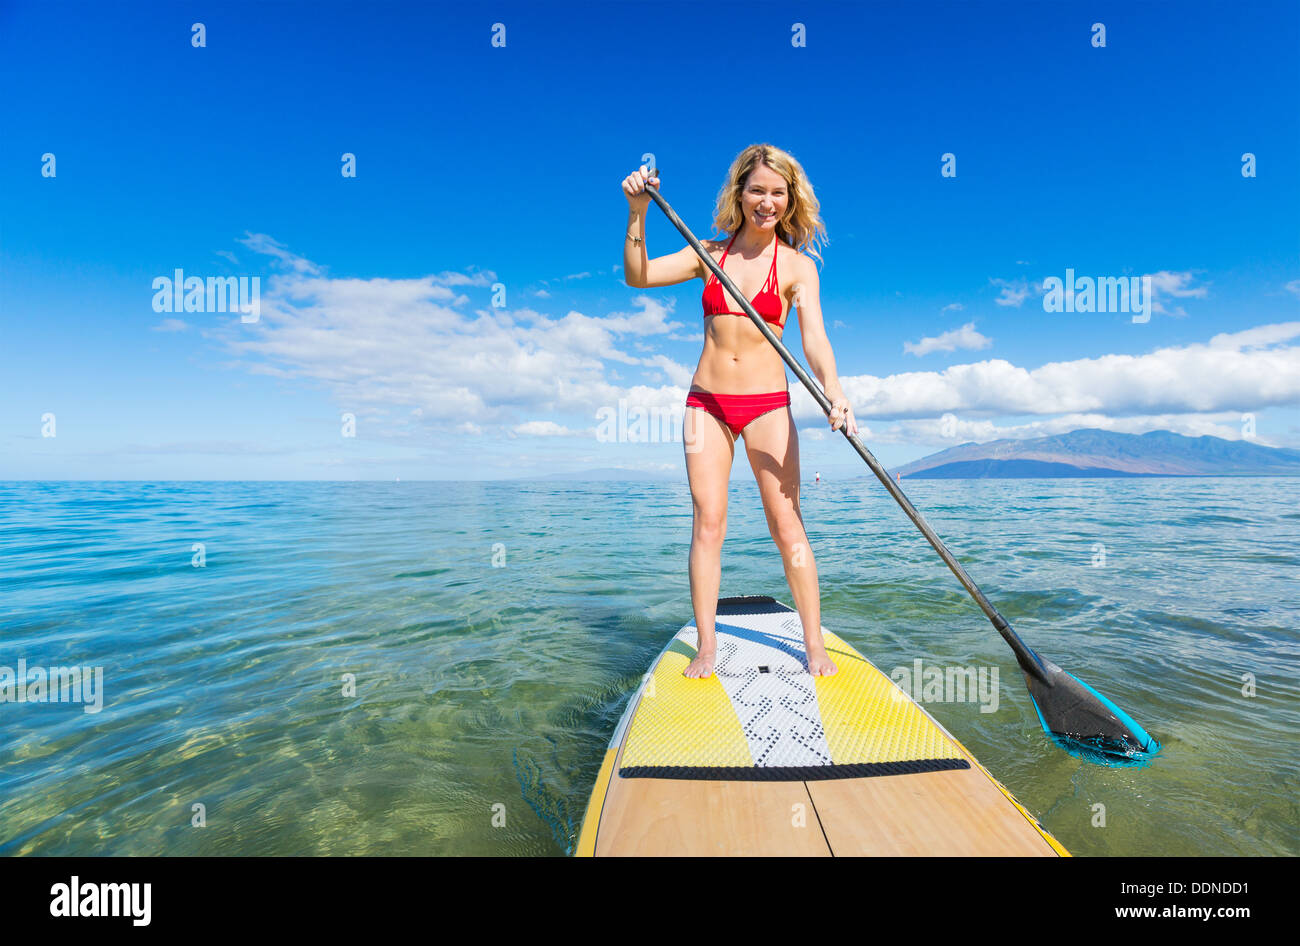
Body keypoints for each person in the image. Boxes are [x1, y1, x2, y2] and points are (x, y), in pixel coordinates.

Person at [621, 143, 857, 679]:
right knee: (709, 521)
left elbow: (815, 340)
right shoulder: (708, 253)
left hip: (768, 405)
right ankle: (707, 645)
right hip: (707, 403)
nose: (766, 202)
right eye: (757, 190)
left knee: (786, 525)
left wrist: (835, 390)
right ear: (740, 194)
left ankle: (813, 642)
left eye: (778, 193)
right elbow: (637, 276)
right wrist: (638, 213)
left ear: (789, 200)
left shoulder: (798, 267)